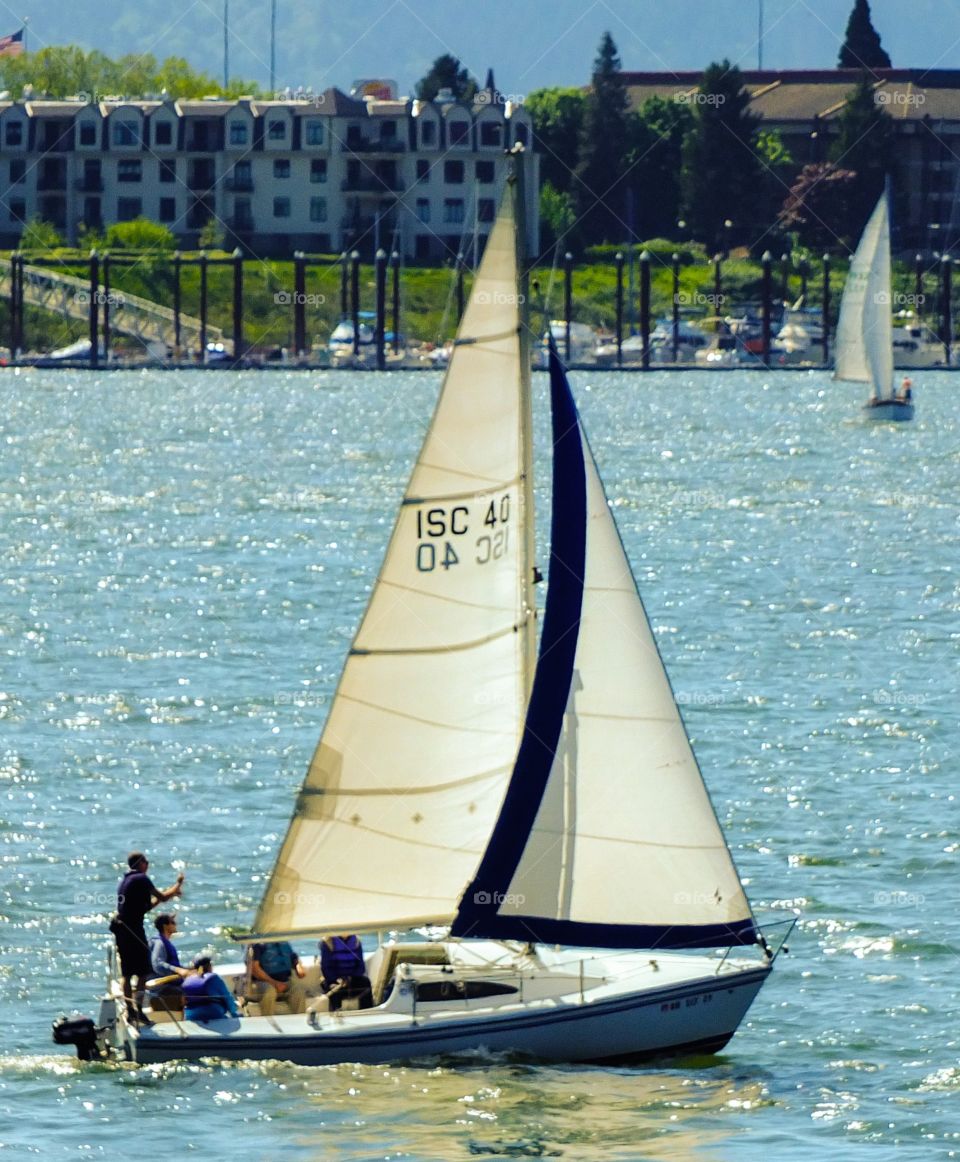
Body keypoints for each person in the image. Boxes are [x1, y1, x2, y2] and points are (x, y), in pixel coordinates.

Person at [112, 851, 184, 1025]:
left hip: (121, 929)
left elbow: (146, 907)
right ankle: (138, 1011)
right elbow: (163, 897)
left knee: (128, 974)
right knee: (143, 973)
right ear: (140, 863)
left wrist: (170, 894)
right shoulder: (141, 879)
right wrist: (177, 885)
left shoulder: (126, 880)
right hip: (133, 931)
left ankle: (130, 1011)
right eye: (146, 861)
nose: (148, 864)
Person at [146, 913, 190, 1013]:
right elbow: (157, 964)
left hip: (169, 985)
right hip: (161, 989)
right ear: (166, 926)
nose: (176, 924)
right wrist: (178, 970)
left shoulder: (162, 941)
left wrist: (187, 970)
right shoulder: (159, 943)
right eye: (173, 922)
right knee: (196, 990)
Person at [249, 940, 307, 1015]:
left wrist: (298, 968)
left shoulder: (284, 943)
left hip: (285, 981)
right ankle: (267, 1021)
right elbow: (254, 969)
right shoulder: (257, 945)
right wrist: (275, 983)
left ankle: (299, 1021)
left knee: (299, 990)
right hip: (263, 982)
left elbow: (294, 958)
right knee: (270, 992)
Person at [319, 934, 372, 1012]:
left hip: (352, 978)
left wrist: (350, 978)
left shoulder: (356, 941)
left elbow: (361, 966)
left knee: (365, 982)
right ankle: (336, 1013)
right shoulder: (327, 942)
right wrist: (337, 979)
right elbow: (326, 968)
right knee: (334, 988)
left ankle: (367, 1011)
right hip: (334, 980)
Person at [182, 954, 241, 1022]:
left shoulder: (187, 981)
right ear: (209, 966)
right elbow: (228, 998)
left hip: (191, 1017)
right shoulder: (214, 978)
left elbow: (184, 1003)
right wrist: (235, 1014)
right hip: (214, 1014)